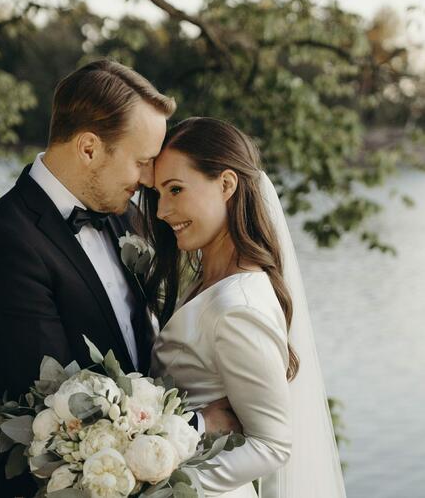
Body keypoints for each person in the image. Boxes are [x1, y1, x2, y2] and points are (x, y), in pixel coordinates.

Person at [0, 61, 238, 497]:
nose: (149, 180)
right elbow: (61, 409)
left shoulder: (124, 215)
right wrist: (200, 425)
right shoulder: (3, 243)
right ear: (89, 148)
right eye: (142, 162)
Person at [147, 117, 347, 498]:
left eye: (175, 190)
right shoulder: (210, 281)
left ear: (226, 184)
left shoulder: (238, 306)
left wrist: (161, 490)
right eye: (158, 193)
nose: (161, 211)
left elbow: (272, 445)